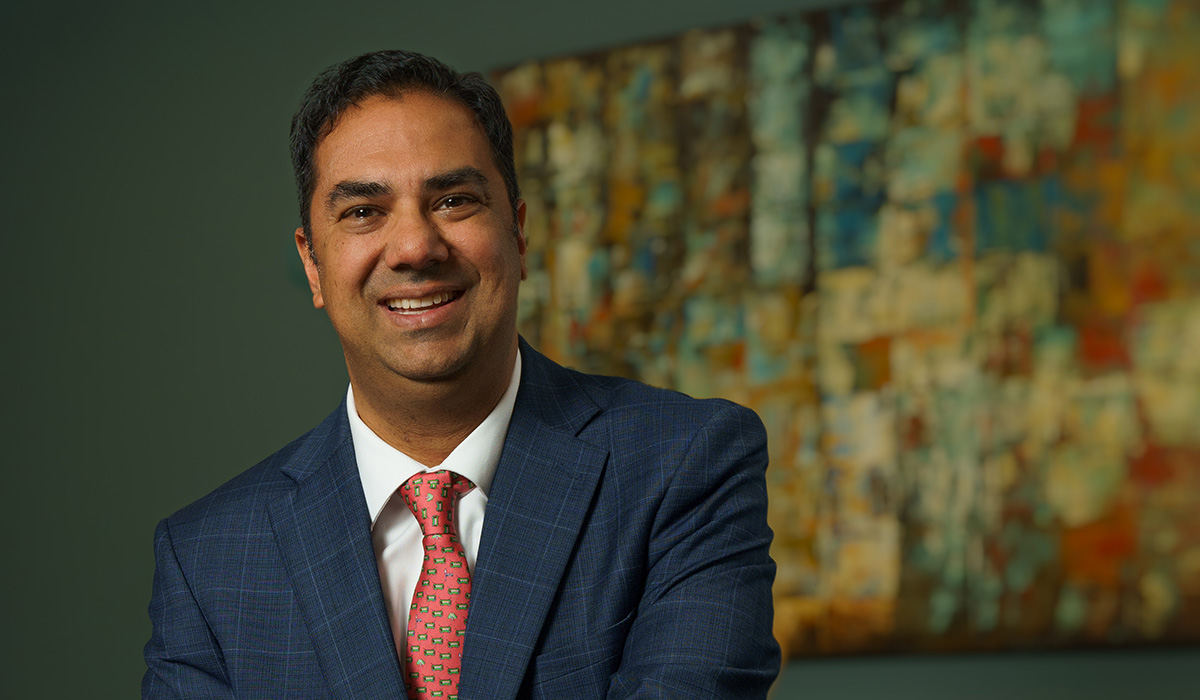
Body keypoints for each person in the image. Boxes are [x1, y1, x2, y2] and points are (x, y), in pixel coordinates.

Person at [142, 49, 780, 700]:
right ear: (313, 265)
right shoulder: (210, 560)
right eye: (364, 211)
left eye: (453, 200)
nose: (416, 248)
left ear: (520, 233)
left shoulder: (684, 467)